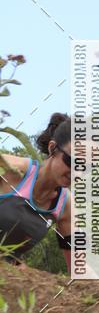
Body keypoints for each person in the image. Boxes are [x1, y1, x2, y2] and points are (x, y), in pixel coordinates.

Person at [0, 112, 72, 271]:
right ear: (53, 148)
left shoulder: (66, 205)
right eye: (71, 161)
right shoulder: (11, 169)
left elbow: (79, 267)